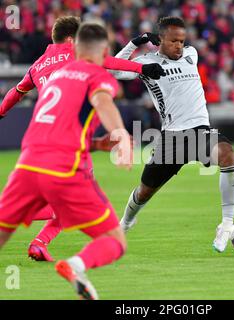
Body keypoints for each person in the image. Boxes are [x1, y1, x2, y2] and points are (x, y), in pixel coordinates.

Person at [0, 16, 165, 262]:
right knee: (106, 233)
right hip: (69, 149)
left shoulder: (38, 65)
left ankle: (38, 240)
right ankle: (73, 262)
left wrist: (1, 112)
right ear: (71, 40)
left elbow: (17, 92)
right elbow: (105, 65)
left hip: (35, 146)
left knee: (33, 209)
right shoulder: (78, 59)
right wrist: (142, 67)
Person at [0, 22, 133, 300]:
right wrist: (120, 136)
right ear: (103, 51)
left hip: (26, 165)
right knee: (113, 241)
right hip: (65, 169)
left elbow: (57, 125)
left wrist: (95, 144)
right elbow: (103, 101)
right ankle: (75, 266)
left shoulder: (49, 74)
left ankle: (41, 242)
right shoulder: (95, 74)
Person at [114, 16, 234, 253]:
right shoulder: (146, 62)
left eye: (182, 41)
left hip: (200, 131)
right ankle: (126, 222)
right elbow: (112, 71)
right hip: (171, 138)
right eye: (173, 41)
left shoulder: (192, 54)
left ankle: (226, 224)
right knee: (144, 191)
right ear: (160, 39)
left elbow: (186, 50)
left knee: (227, 154)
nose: (179, 46)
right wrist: (136, 42)